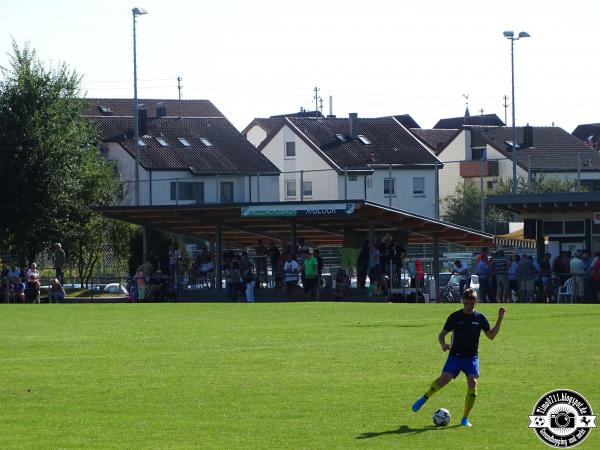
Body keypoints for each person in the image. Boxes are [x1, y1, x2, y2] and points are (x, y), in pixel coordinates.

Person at [411, 288, 505, 427]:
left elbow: (491, 336)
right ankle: (424, 397)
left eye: (472, 303)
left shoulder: (480, 318)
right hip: (455, 357)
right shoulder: (455, 317)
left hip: (471, 358)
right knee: (443, 380)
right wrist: (443, 344)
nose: (469, 306)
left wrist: (500, 319)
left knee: (473, 382)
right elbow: (441, 334)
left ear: (475, 302)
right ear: (463, 301)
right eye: (467, 302)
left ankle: (465, 418)